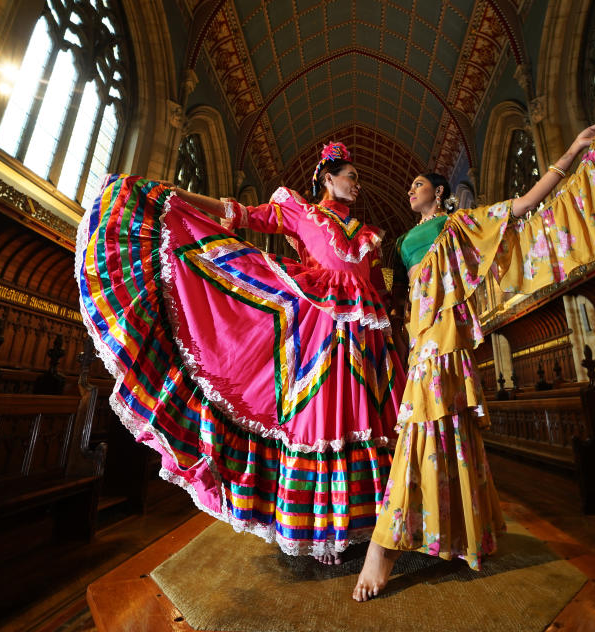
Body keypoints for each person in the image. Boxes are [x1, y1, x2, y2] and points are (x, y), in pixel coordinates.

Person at [353, 119, 595, 600]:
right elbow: (390, 297)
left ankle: (386, 547)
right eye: (410, 186)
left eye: (418, 184)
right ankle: (460, 531)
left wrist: (570, 153)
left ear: (439, 192)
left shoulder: (457, 224)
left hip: (446, 339)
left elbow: (523, 206)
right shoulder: (400, 243)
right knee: (435, 424)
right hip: (421, 340)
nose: (408, 189)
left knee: (430, 424)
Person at [77, 142, 405, 563]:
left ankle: (376, 523)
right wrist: (176, 196)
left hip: (368, 340)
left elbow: (378, 289)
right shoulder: (299, 211)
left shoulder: (369, 236)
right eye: (352, 177)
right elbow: (240, 214)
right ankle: (322, 529)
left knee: (369, 419)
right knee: (322, 418)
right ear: (328, 178)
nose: (358, 185)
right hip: (319, 331)